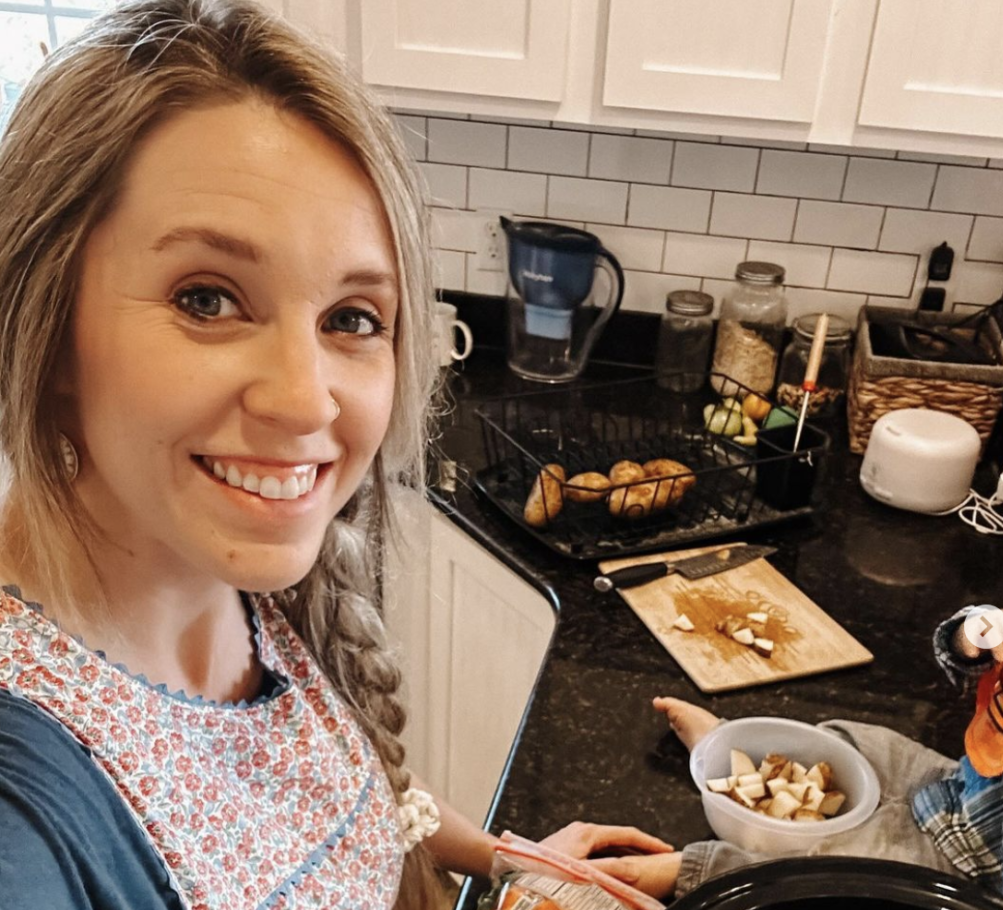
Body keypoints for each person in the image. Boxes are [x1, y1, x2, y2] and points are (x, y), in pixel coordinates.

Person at [0, 2, 675, 908]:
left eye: (352, 319)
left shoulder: (231, 570)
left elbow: (328, 789)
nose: (304, 397)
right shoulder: (28, 809)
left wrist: (511, 859)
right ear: (44, 323)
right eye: (207, 299)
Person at [648, 607, 1003, 902]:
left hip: (970, 868)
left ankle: (688, 869)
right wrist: (979, 631)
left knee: (822, 870)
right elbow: (959, 654)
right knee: (851, 738)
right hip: (956, 788)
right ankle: (723, 747)